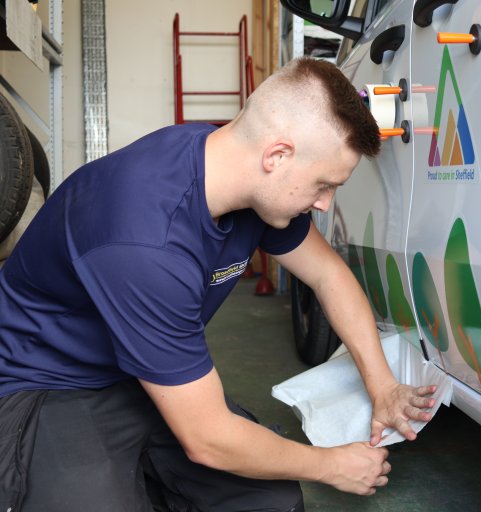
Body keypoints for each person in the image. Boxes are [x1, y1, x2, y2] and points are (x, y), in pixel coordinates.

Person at [0, 57, 437, 511]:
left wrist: (383, 387)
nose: (325, 204)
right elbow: (208, 440)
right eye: (323, 185)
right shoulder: (144, 240)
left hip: (138, 373)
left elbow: (328, 276)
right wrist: (330, 465)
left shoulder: (229, 165)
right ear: (277, 156)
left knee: (271, 503)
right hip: (45, 382)